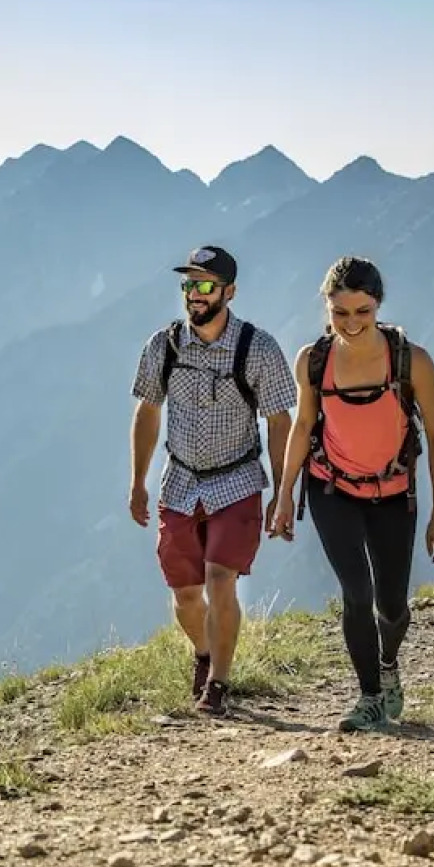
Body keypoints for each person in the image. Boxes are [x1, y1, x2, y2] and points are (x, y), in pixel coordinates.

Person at [269, 256, 434, 732]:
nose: (351, 323)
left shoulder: (412, 362)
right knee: (357, 592)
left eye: (362, 312)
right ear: (327, 308)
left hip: (394, 494)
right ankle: (369, 696)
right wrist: (284, 493)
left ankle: (388, 663)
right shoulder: (313, 362)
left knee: (391, 606)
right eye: (340, 312)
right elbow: (303, 426)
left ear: (378, 307)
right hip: (331, 488)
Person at [130, 245, 297, 715]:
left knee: (221, 579)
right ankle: (204, 654)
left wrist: (282, 492)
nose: (195, 294)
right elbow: (148, 410)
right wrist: (138, 482)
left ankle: (219, 684)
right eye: (189, 284)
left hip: (237, 480)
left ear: (230, 291)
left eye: (205, 285)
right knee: (185, 596)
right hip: (180, 482)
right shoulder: (163, 346)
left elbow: (280, 421)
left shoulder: (258, 348)